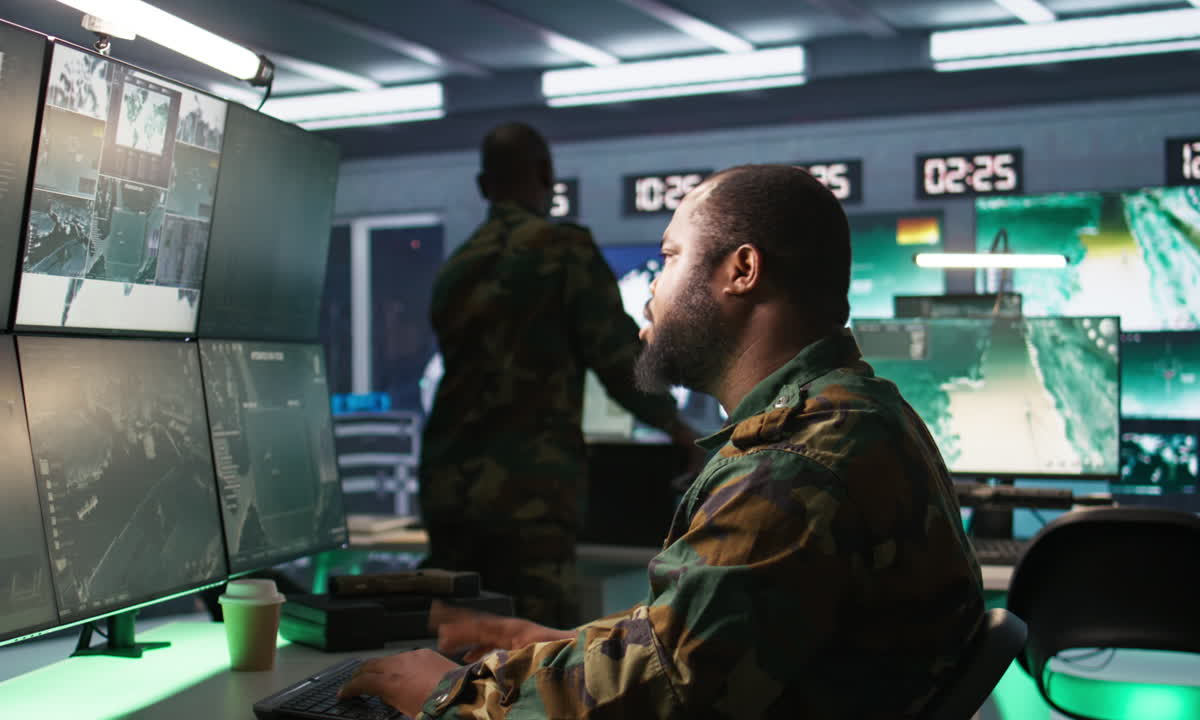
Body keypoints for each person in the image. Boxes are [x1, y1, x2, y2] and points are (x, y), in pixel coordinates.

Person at [342, 163, 985, 718]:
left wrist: (454, 695)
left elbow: (664, 696)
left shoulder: (793, 468)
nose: (652, 286)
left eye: (671, 258)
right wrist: (550, 643)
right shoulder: (854, 413)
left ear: (742, 270)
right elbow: (703, 643)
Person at [417, 122, 701, 628]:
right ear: (546, 175)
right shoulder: (563, 250)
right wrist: (678, 428)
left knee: (456, 638)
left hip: (449, 488)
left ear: (484, 188)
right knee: (535, 649)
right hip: (530, 490)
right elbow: (619, 359)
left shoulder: (456, 268)